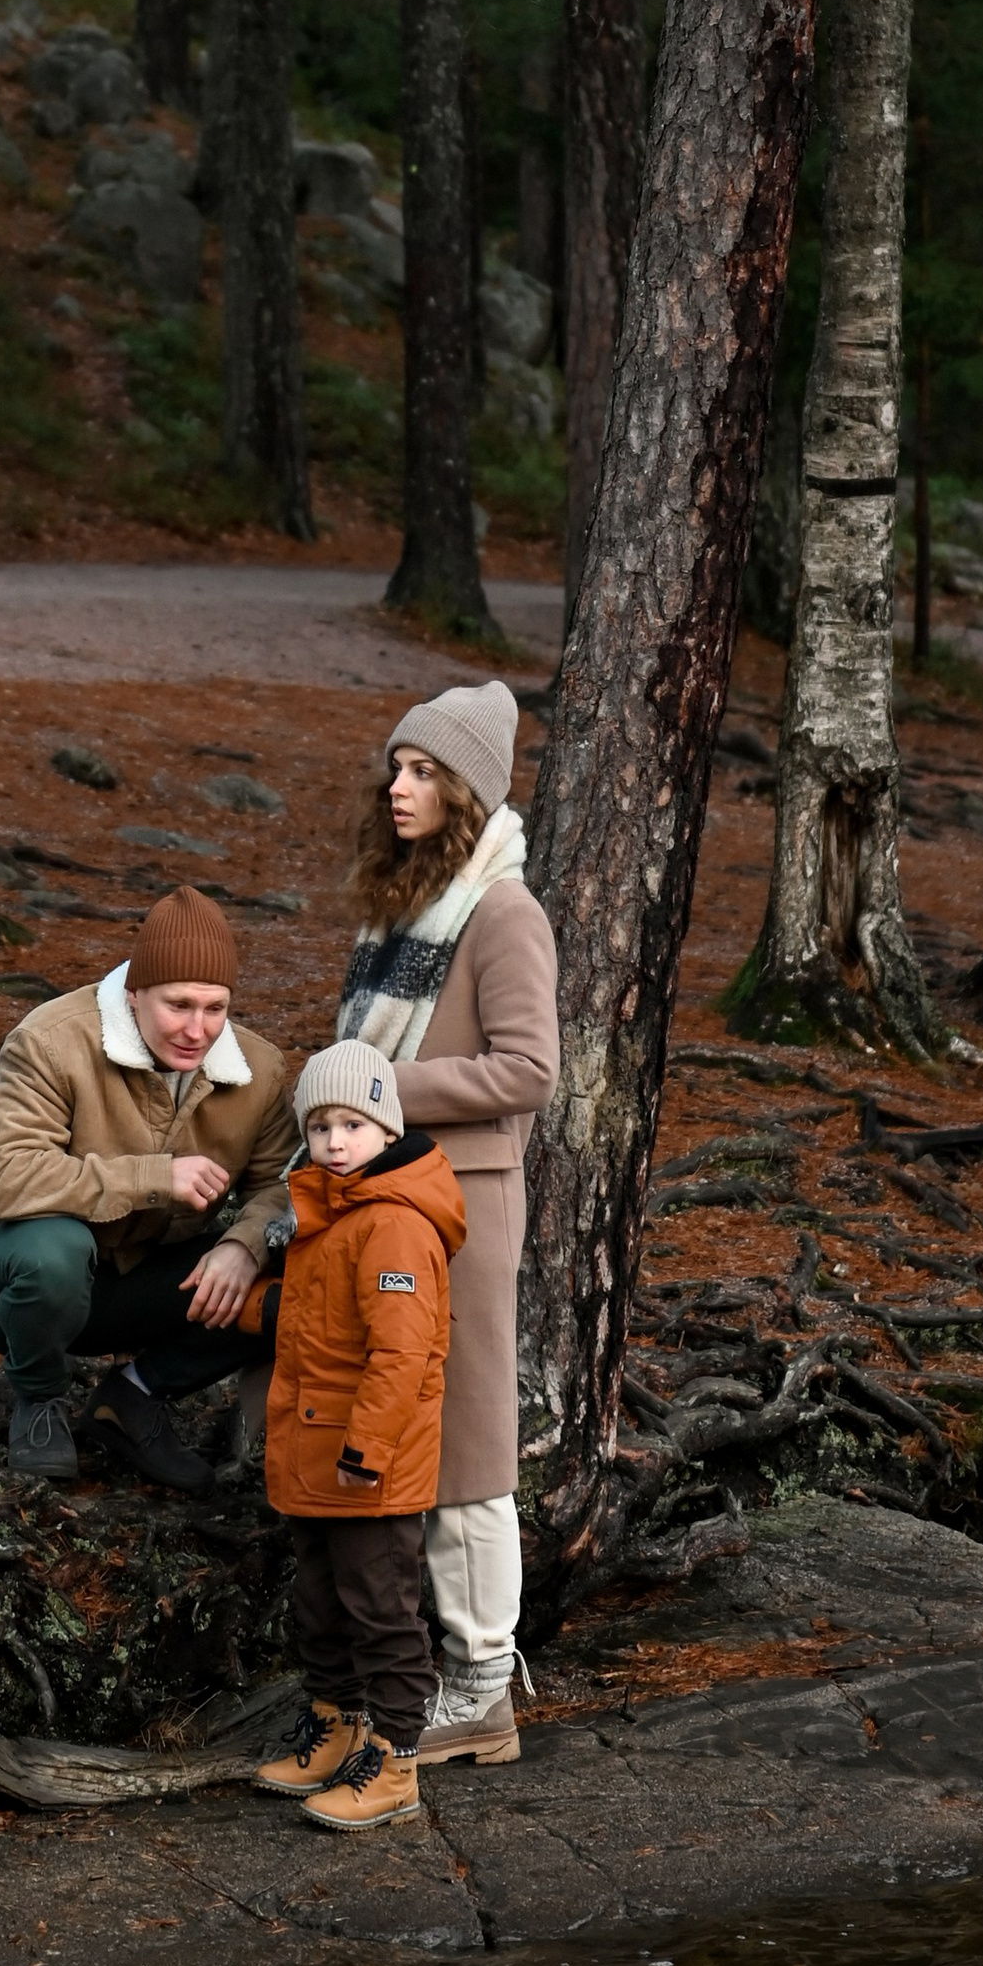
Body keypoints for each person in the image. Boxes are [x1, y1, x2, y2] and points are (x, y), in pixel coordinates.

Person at [335, 677, 559, 1766]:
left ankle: (481, 1686)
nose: (398, 785)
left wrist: (379, 1084)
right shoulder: (399, 910)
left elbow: (530, 1070)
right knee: (402, 1431)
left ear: (468, 789)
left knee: (469, 1444)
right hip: (380, 1196)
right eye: (396, 765)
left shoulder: (503, 910)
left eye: (422, 770)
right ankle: (412, 1670)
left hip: (464, 1199)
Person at [0, 883, 297, 1492]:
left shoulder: (259, 1072)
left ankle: (135, 1397)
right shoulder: (53, 1040)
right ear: (133, 995)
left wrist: (245, 1245)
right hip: (12, 1283)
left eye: (215, 1008)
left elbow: (281, 1187)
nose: (197, 1029)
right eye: (178, 1005)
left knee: (308, 1275)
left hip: (141, 1283)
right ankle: (40, 1400)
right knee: (51, 1249)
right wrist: (154, 1176)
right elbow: (3, 1178)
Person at [244, 1041, 466, 1835]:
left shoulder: (394, 1227)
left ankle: (396, 1760)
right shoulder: (324, 1213)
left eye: (355, 1124)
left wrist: (367, 1453)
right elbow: (312, 1330)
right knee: (320, 1601)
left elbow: (402, 1354)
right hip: (313, 1461)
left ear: (386, 1128)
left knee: (382, 1610)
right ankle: (335, 1728)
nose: (336, 1142)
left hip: (367, 1466)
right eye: (322, 1125)